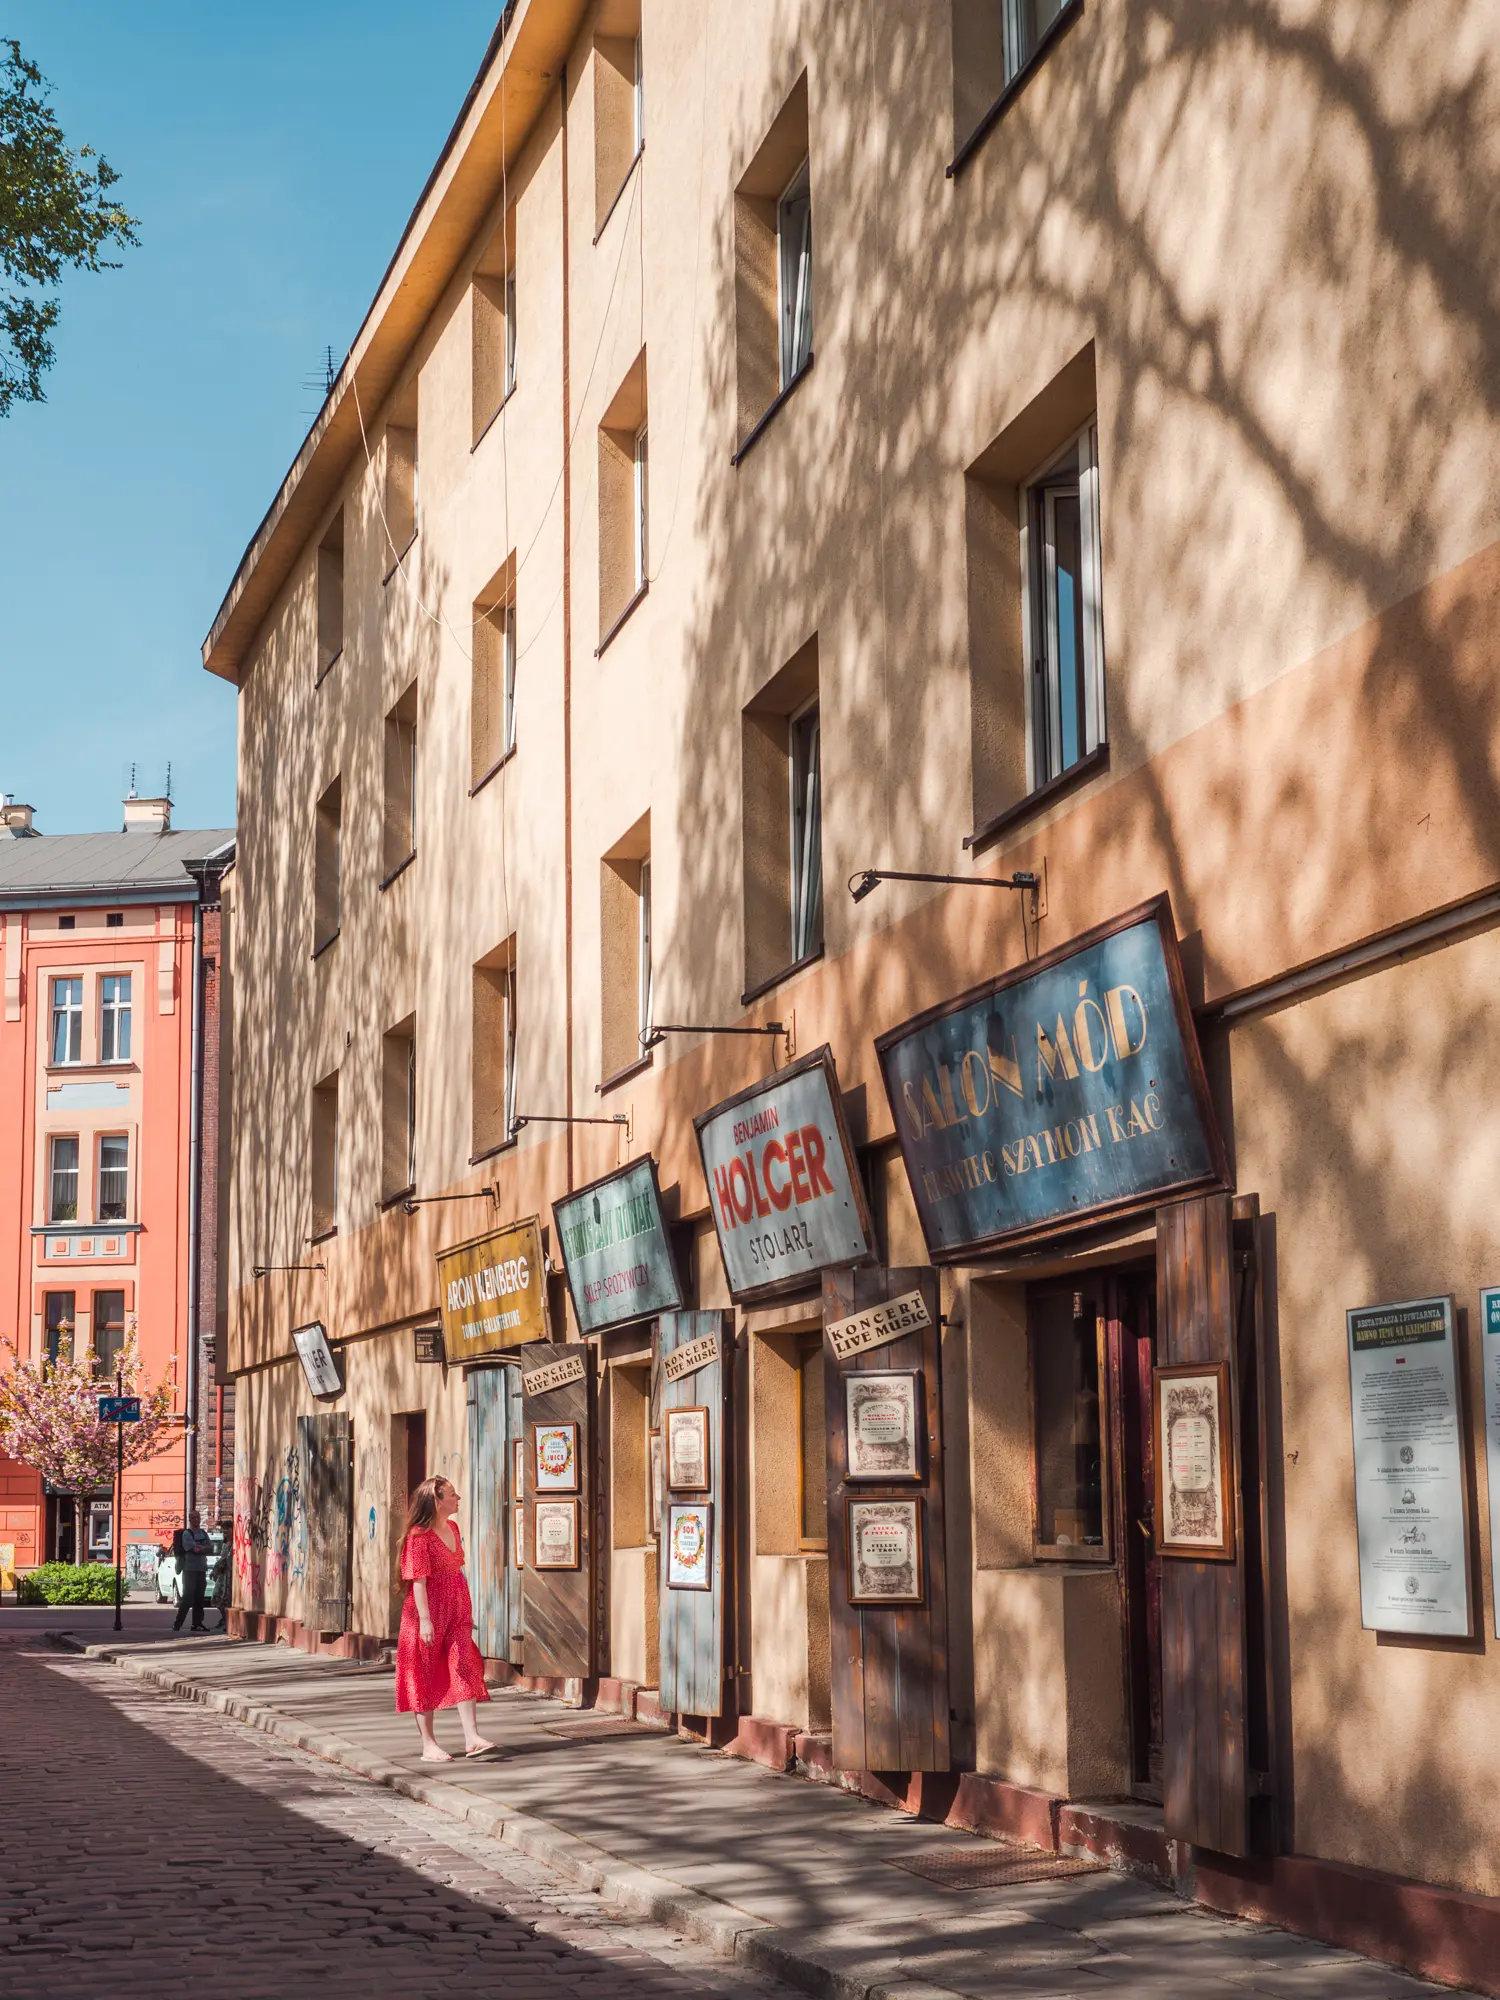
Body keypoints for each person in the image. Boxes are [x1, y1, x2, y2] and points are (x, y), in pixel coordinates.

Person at [395, 1476, 496, 1761]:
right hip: (425, 1612)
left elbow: (455, 1571)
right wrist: (425, 1621)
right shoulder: (418, 1537)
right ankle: (429, 1744)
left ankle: (472, 1738)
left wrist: (464, 1609)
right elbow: (418, 1582)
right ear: (436, 1501)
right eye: (452, 1494)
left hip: (457, 1609)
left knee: (464, 1663)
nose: (458, 1498)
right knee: (422, 1673)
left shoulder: (452, 1526)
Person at [172, 1511, 213, 1633]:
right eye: (193, 1518)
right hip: (189, 1569)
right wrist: (202, 1548)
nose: (196, 1520)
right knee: (187, 1598)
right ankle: (177, 1624)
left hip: (201, 1568)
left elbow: (210, 1548)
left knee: (199, 1598)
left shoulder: (203, 1533)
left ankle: (197, 1623)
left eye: (198, 1518)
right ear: (190, 1520)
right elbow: (192, 1548)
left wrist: (200, 1548)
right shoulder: (187, 1534)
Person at [208, 1526, 232, 1631]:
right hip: (222, 1575)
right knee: (216, 1596)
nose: (226, 1533)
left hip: (230, 1575)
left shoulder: (235, 1545)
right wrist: (215, 1570)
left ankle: (228, 1622)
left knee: (228, 1599)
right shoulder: (224, 1544)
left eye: (228, 1530)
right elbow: (222, 1559)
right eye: (224, 1531)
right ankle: (224, 1618)